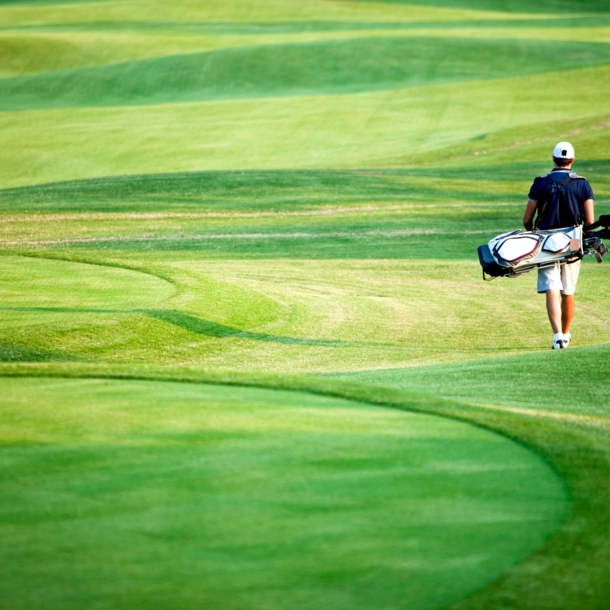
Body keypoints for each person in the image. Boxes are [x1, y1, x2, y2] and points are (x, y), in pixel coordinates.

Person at [523, 142, 594, 349]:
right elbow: (589, 222)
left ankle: (557, 337)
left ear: (553, 159)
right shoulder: (583, 184)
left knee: (551, 286)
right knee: (568, 289)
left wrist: (531, 236)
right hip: (572, 240)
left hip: (545, 240)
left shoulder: (540, 183)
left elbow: (527, 219)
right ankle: (567, 333)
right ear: (572, 160)